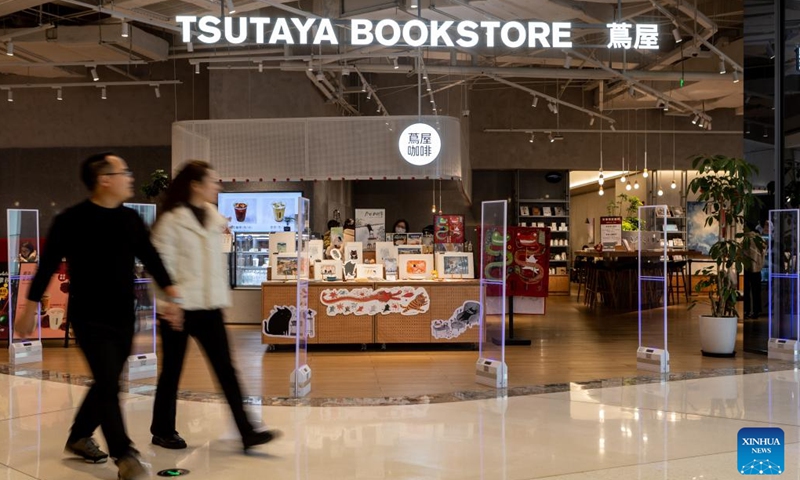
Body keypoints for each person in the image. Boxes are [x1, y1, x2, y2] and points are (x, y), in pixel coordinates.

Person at [14, 152, 182, 480]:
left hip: (123, 315)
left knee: (108, 381)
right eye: (124, 172)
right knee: (108, 382)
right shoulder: (71, 220)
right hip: (88, 318)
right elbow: (47, 264)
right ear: (104, 179)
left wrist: (173, 296)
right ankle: (125, 455)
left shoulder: (131, 220)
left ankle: (79, 435)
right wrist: (30, 309)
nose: (130, 177)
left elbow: (151, 258)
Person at [149, 160, 280, 452]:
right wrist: (171, 303)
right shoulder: (171, 221)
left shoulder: (212, 217)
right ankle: (162, 430)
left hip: (209, 307)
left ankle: (247, 431)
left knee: (226, 370)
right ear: (196, 185)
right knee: (171, 370)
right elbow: (160, 266)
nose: (217, 186)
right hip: (178, 309)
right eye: (212, 181)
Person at [743, 226, 766, 319]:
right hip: (757, 269)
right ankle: (756, 311)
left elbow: (741, 251)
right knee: (756, 291)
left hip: (747, 268)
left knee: (747, 291)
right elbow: (764, 252)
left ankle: (747, 311)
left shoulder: (746, 239)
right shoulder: (761, 240)